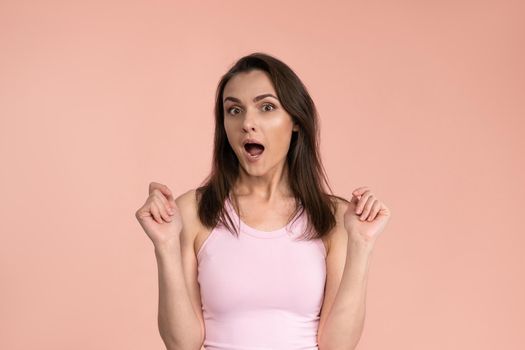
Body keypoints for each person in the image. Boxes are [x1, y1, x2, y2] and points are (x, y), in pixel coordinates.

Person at [135, 52, 391, 350]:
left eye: (266, 107)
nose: (247, 123)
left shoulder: (334, 217)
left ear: (296, 121)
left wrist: (362, 245)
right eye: (234, 111)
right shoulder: (192, 211)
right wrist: (164, 246)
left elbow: (338, 345)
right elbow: (182, 345)